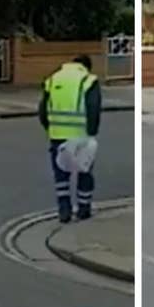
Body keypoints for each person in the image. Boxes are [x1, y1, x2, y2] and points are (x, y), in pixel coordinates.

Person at [38, 55, 102, 223]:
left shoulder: (52, 79)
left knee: (61, 174)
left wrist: (50, 128)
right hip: (81, 135)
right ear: (87, 66)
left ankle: (64, 209)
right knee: (84, 171)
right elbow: (93, 107)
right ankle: (83, 208)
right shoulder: (88, 80)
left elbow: (42, 110)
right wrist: (92, 131)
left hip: (57, 134)